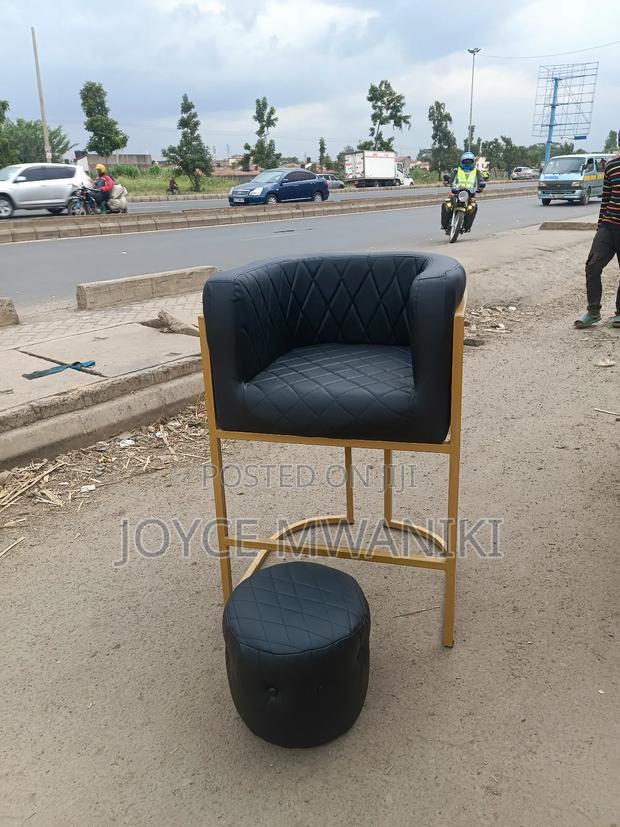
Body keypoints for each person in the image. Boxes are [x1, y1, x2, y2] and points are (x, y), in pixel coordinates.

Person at [574, 152, 620, 328]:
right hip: (608, 226)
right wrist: (601, 225)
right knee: (592, 265)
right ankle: (593, 312)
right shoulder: (611, 165)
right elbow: (606, 198)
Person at [441, 152, 485, 233]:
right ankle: (444, 224)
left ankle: (467, 226)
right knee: (447, 204)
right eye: (465, 161)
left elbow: (480, 182)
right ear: (462, 161)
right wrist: (447, 181)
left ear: (473, 162)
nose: (467, 163)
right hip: (456, 192)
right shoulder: (456, 170)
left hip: (470, 194)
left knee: (473, 207)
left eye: (469, 161)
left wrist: (480, 187)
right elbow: (451, 180)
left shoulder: (477, 172)